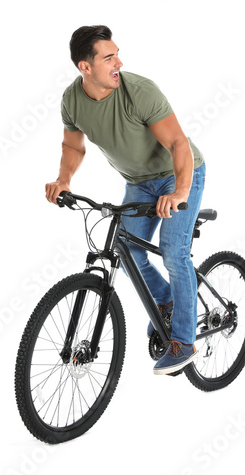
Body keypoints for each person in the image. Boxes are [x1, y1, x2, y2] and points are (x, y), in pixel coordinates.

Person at [45, 25, 206, 375]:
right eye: (108, 57)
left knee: (173, 252)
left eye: (117, 54)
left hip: (178, 174)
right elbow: (73, 145)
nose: (119, 62)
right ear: (85, 67)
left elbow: (179, 144)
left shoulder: (140, 91)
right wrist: (63, 180)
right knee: (128, 250)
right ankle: (166, 303)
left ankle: (183, 340)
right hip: (137, 182)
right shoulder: (72, 101)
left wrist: (178, 192)